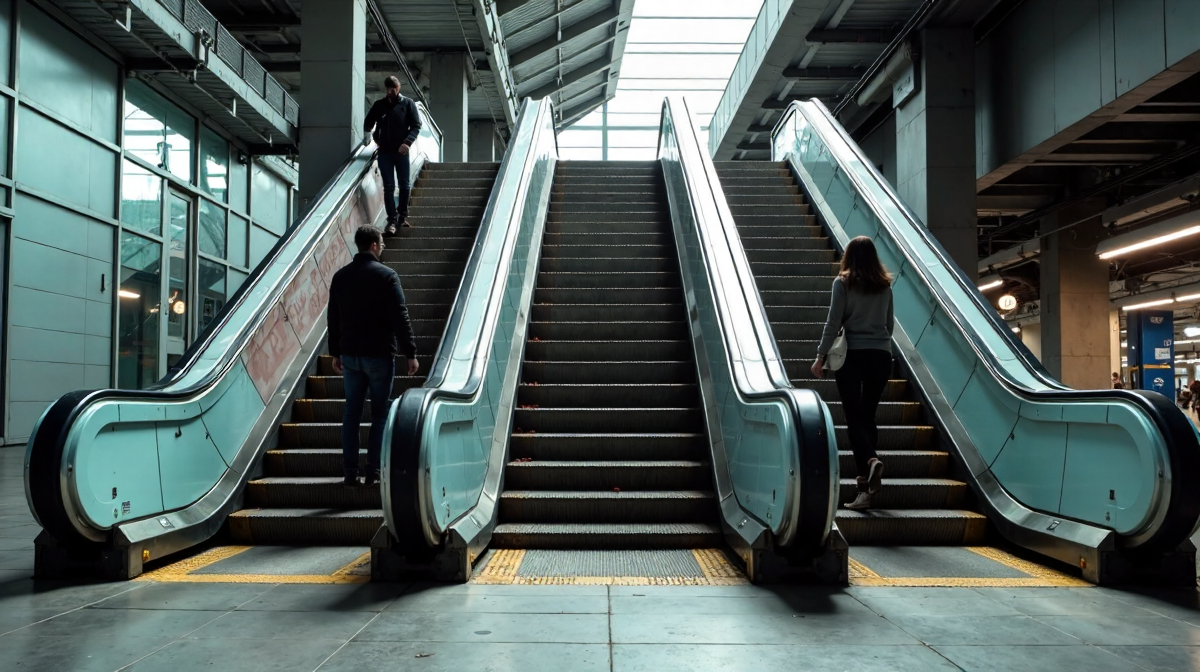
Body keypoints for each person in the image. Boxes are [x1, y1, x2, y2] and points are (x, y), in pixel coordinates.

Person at [327, 225, 420, 486]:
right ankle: (373, 472)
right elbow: (399, 317)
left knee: (351, 414)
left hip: (351, 356)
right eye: (382, 244)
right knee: (379, 414)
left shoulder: (340, 277)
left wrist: (336, 352)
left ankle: (349, 472)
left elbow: (333, 318)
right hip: (379, 356)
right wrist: (410, 352)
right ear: (375, 245)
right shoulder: (387, 276)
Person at [811, 236, 894, 511]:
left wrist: (821, 356)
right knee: (867, 416)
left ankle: (870, 461)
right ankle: (866, 491)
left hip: (852, 356)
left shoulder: (843, 283)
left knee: (853, 417)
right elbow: (889, 324)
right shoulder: (885, 286)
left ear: (849, 256)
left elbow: (833, 321)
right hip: (881, 355)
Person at [364, 75, 423, 234]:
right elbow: (368, 123)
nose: (391, 93)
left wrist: (407, 143)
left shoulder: (408, 104)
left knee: (404, 185)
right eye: (388, 90)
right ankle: (391, 220)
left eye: (393, 90)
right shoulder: (379, 105)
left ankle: (402, 216)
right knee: (389, 186)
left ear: (398, 89)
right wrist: (372, 135)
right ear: (385, 89)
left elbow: (416, 126)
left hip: (401, 151)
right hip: (385, 152)